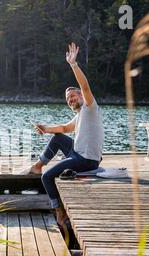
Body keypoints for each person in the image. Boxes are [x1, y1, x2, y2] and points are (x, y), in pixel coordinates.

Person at [28, 43, 104, 225]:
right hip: (78, 154)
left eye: (73, 97)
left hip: (86, 160)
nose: (70, 101)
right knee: (58, 138)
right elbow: (63, 129)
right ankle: (37, 165)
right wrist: (44, 128)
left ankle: (59, 211)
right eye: (68, 99)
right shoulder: (79, 116)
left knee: (47, 177)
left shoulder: (90, 108)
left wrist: (73, 64)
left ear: (81, 96)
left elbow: (84, 85)